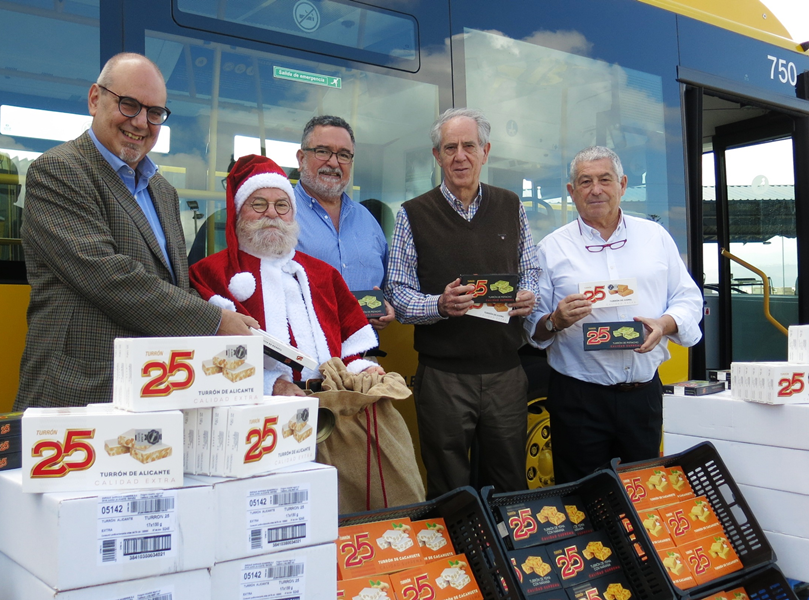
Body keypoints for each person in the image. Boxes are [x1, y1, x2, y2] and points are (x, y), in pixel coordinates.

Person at [14, 53, 257, 411]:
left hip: (156, 387)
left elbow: (172, 283)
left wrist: (223, 311)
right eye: (129, 105)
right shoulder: (58, 170)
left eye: (155, 113)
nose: (142, 122)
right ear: (95, 99)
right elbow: (107, 277)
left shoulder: (162, 190)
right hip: (81, 392)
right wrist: (215, 321)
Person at [384, 107, 540, 498]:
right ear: (436, 156)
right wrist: (439, 305)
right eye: (449, 147)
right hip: (443, 378)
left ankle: (506, 556)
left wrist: (528, 296)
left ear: (485, 152)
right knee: (448, 484)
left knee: (509, 482)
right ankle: (457, 558)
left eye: (469, 146)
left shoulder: (510, 205)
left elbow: (532, 270)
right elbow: (398, 294)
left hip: (506, 372)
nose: (460, 156)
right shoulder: (412, 214)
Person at [526, 146, 702, 483]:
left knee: (644, 492)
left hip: (642, 397)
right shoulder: (552, 248)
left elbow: (687, 298)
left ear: (622, 184)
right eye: (585, 181)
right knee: (580, 499)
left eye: (605, 180)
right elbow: (534, 325)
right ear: (571, 191)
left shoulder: (655, 238)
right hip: (578, 398)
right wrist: (555, 320)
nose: (596, 189)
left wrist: (663, 324)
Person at [189, 154, 383, 395]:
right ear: (238, 213)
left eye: (282, 205)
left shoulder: (323, 274)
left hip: (331, 405)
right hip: (254, 411)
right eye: (259, 204)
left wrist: (361, 368)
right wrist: (270, 384)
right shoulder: (209, 273)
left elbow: (351, 340)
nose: (272, 213)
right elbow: (206, 353)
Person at [294, 116, 395, 332]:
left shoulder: (367, 220)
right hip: (302, 359)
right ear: (301, 158)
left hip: (363, 358)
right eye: (322, 151)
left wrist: (387, 306)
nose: (333, 162)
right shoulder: (280, 214)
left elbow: (389, 286)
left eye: (343, 155)